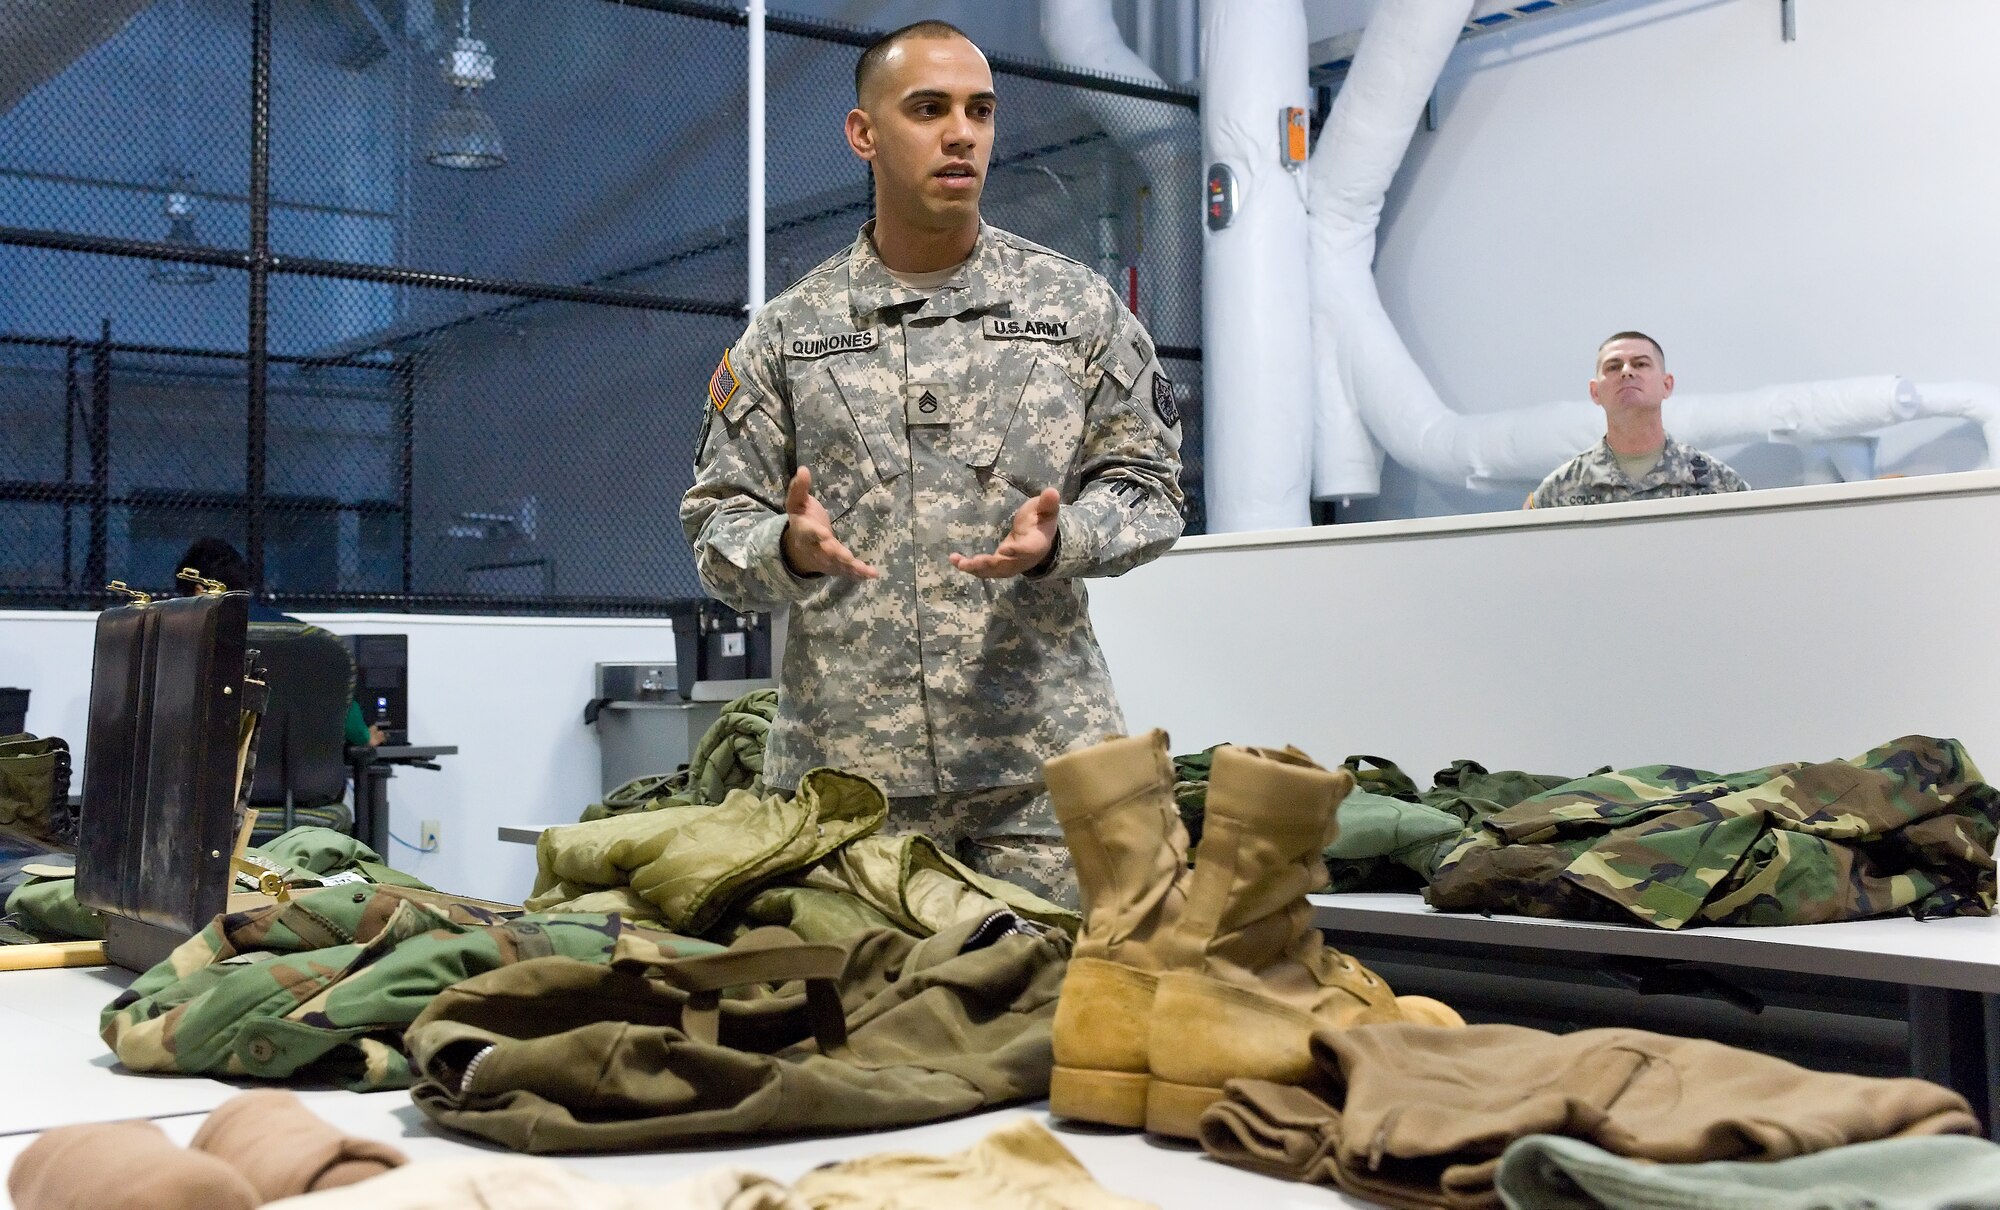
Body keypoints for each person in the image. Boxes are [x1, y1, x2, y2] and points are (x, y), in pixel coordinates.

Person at [680, 21, 1185, 909]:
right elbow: (717, 526)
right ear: (863, 134)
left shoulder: (1073, 309)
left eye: (979, 111)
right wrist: (787, 549)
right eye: (929, 109)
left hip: (1041, 784)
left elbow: (1150, 493)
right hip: (850, 796)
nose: (962, 133)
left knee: (1062, 1031)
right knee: (862, 1041)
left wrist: (1068, 535)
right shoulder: (792, 333)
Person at [173, 537, 382, 748]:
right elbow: (351, 723)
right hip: (305, 776)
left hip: (223, 775)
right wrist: (365, 737)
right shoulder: (314, 640)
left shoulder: (192, 643)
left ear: (199, 589)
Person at [1526, 331, 1750, 509]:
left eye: (1640, 364)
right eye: (1613, 367)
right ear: (1595, 391)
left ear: (1667, 385)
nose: (1626, 372)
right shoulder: (1558, 491)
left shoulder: (1719, 483)